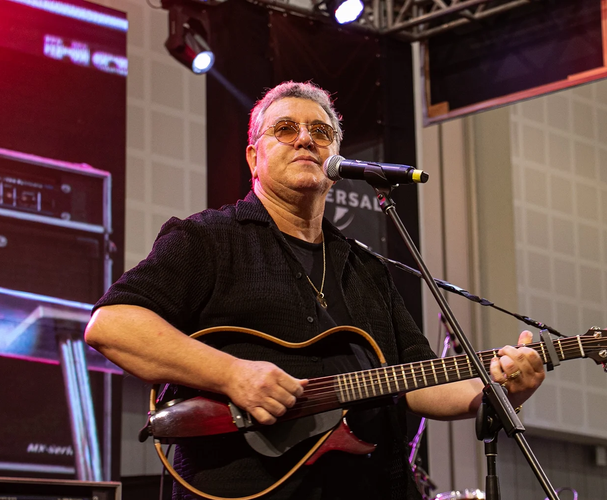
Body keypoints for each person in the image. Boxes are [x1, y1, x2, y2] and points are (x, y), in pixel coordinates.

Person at [84, 81, 545, 500]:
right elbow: (114, 325)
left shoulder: (366, 267)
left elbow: (418, 381)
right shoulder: (207, 239)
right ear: (253, 157)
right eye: (285, 129)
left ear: (336, 161)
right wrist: (232, 375)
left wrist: (502, 388)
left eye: (321, 132)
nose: (306, 139)